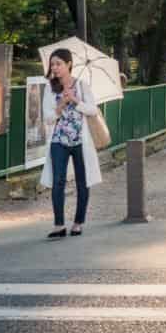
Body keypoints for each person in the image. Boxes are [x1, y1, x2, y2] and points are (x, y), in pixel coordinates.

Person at [40, 49, 102, 239]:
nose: (55, 68)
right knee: (58, 181)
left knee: (83, 181)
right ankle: (59, 225)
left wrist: (75, 100)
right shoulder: (50, 88)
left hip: (80, 141)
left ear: (69, 64)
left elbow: (92, 110)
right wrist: (61, 105)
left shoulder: (82, 85)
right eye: (52, 64)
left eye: (58, 63)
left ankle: (78, 222)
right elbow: (48, 119)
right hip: (59, 140)